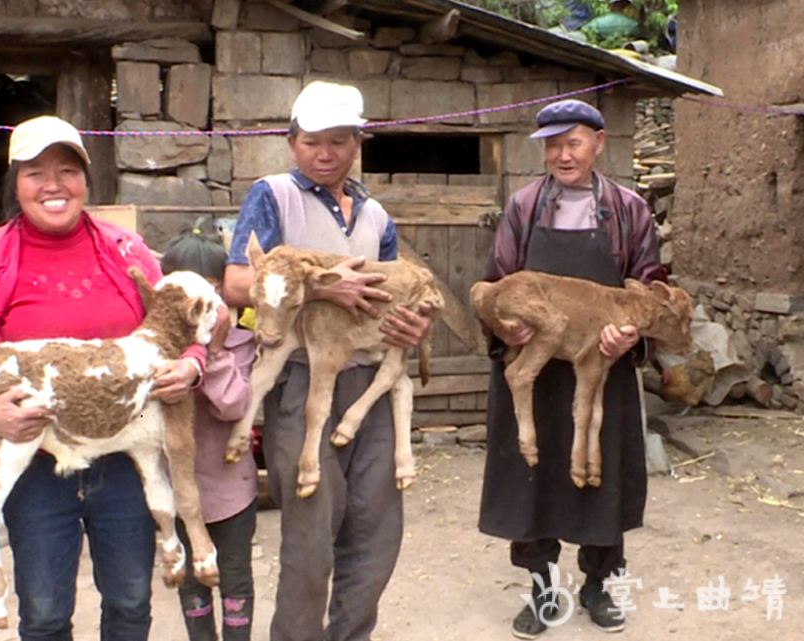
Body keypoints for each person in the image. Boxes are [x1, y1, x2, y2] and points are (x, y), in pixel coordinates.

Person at [0, 115, 209, 641]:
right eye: (36, 172)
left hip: (122, 454)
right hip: (34, 459)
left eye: (67, 170)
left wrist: (190, 366)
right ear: (16, 184)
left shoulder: (126, 250)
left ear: (85, 180)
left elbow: (182, 326)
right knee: (43, 611)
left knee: (130, 601)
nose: (54, 185)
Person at [223, 81, 432, 641]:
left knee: (376, 534)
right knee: (311, 541)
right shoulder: (272, 196)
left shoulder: (376, 215)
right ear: (292, 143)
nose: (324, 153)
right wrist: (318, 290)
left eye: (338, 141)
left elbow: (389, 294)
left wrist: (412, 326)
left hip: (371, 392)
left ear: (356, 143)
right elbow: (239, 283)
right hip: (302, 381)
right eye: (312, 141)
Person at [476, 99, 666, 639]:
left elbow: (648, 286)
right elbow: (495, 283)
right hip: (533, 368)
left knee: (601, 479)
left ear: (598, 144)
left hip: (600, 365)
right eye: (552, 145)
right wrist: (505, 326)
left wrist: (627, 334)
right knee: (530, 480)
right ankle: (542, 590)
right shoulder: (523, 206)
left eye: (574, 142)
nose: (563, 154)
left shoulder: (629, 210)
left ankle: (599, 585)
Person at [160, 225, 258, 641]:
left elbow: (235, 407)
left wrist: (213, 353)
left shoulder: (243, 343)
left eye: (214, 291)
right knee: (192, 586)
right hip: (176, 494)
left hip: (232, 490)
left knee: (234, 581)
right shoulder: (157, 348)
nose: (203, 304)